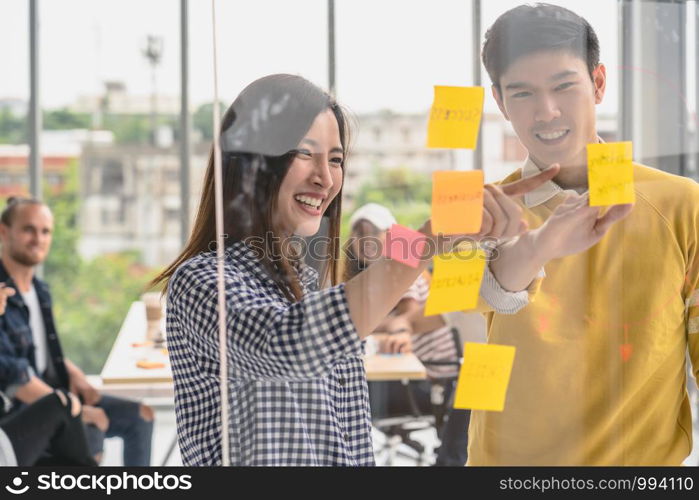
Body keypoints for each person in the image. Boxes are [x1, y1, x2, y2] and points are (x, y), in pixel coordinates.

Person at [151, 73, 562, 466]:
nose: (325, 178)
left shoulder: (309, 284)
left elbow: (347, 441)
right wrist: (429, 240)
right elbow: (288, 347)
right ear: (251, 162)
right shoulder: (202, 281)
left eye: (335, 159)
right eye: (303, 153)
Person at [454, 3, 698, 465]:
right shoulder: (474, 210)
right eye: (522, 94)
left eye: (564, 86)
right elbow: (468, 307)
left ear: (598, 84)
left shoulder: (681, 204)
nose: (547, 112)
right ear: (501, 102)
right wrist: (536, 245)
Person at [0, 197, 155, 466]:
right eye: (28, 229)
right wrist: (78, 411)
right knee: (91, 432)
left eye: (45, 231)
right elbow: (14, 375)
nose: (38, 238)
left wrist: (74, 374)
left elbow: (40, 350)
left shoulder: (40, 290)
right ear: (4, 231)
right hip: (26, 411)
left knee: (141, 416)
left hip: (56, 392)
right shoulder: (2, 296)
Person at [344, 203, 467, 466]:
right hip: (432, 377)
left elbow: (401, 320)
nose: (363, 240)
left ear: (390, 235)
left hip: (430, 378)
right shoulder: (382, 271)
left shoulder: (401, 270)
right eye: (357, 233)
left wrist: (355, 321)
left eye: (370, 232)